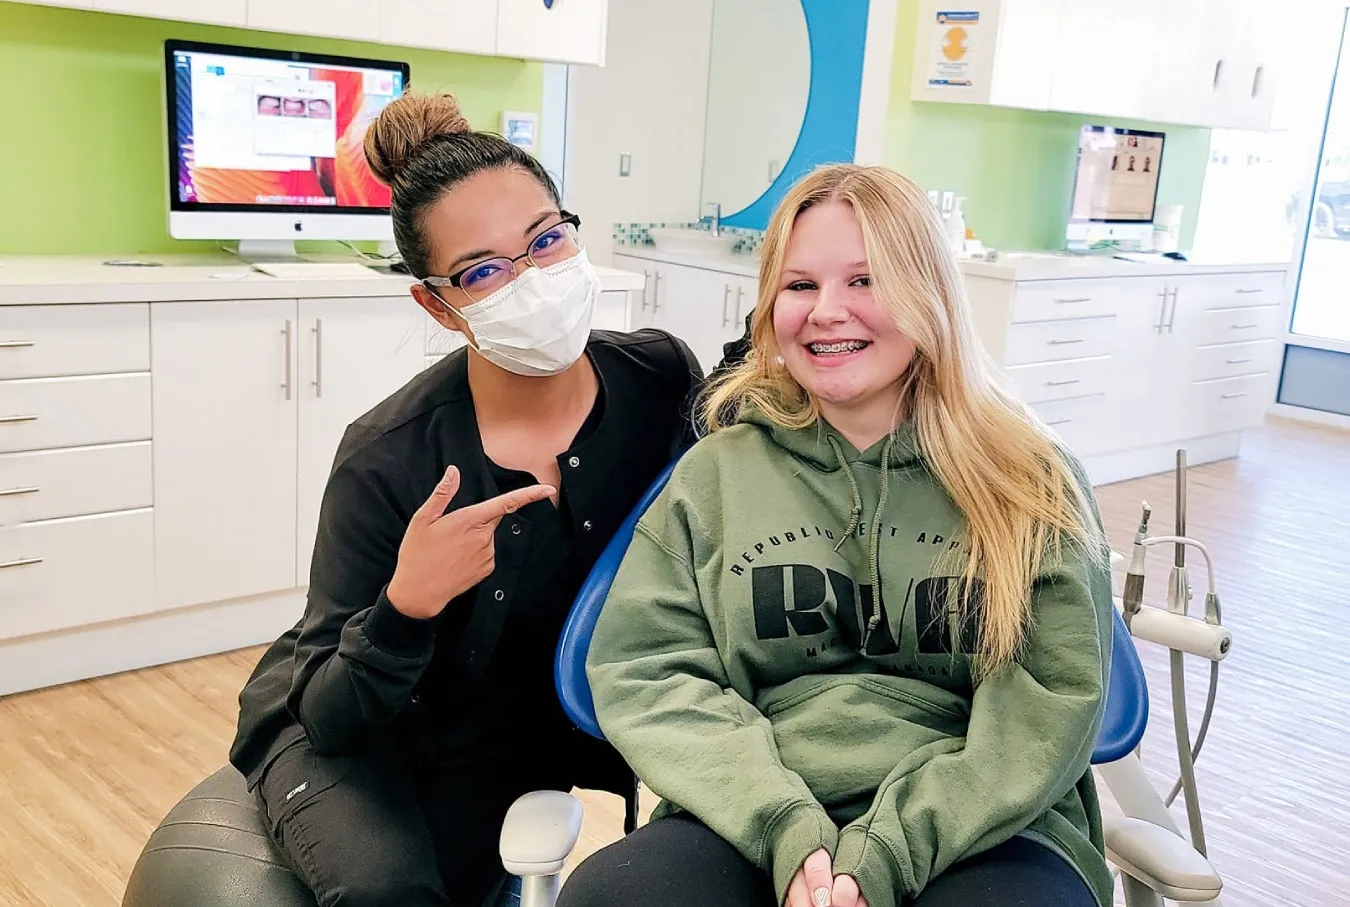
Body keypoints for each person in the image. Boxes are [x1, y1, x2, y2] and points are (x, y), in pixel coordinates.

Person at [227, 90, 739, 907]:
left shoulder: (656, 380)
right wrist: (407, 601)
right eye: (485, 270)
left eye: (546, 239)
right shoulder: (388, 457)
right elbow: (330, 712)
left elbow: (750, 400)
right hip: (360, 728)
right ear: (437, 301)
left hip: (515, 725)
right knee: (392, 892)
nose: (533, 279)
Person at [560, 164, 1115, 907]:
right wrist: (784, 825)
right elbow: (649, 669)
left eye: (864, 280)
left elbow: (1049, 700)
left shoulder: (1028, 479)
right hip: (751, 809)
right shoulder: (715, 476)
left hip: (985, 824)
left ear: (929, 292)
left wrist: (888, 850)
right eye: (800, 285)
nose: (828, 311)